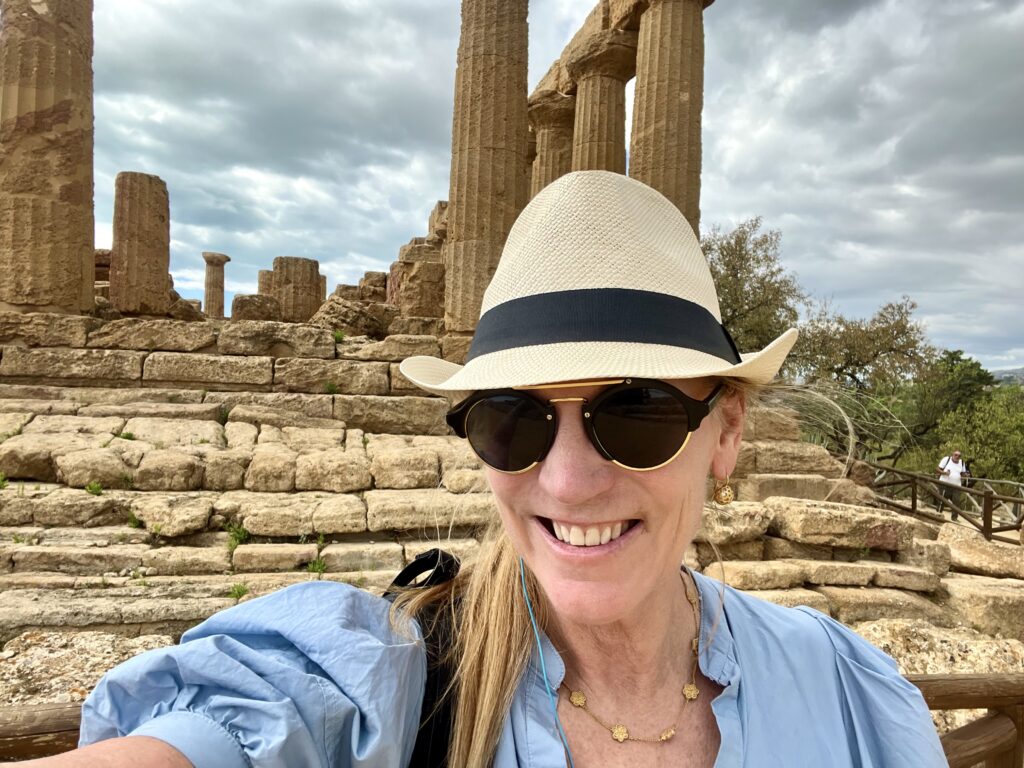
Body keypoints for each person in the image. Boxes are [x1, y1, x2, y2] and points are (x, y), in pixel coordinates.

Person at [21, 171, 946, 767]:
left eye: (639, 413)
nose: (571, 481)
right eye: (513, 421)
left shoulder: (845, 689)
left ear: (728, 431)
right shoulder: (380, 677)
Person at [937, 449, 967, 520]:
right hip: (944, 484)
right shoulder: (946, 459)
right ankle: (938, 515)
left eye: (959, 456)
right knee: (941, 501)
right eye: (955, 455)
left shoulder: (962, 462)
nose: (957, 457)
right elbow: (937, 469)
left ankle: (954, 518)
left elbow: (962, 474)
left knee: (956, 502)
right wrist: (944, 473)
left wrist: (965, 475)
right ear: (952, 455)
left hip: (956, 485)